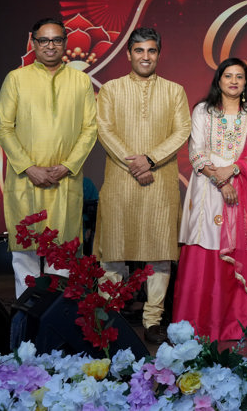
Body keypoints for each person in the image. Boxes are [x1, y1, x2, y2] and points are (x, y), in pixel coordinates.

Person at [95, 27, 190, 344]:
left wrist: (150, 159)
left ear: (159, 54)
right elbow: (104, 130)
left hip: (159, 181)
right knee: (113, 252)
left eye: (151, 50)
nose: (145, 56)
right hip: (120, 181)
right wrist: (134, 163)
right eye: (139, 50)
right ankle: (110, 318)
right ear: (128, 54)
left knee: (160, 253)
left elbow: (182, 131)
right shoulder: (111, 89)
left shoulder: (174, 91)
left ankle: (152, 321)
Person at [0, 17, 97, 298]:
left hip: (65, 180)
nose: (50, 46)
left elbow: (90, 128)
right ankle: (25, 319)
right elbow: (4, 128)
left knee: (63, 257)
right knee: (25, 258)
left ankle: (55, 318)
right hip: (26, 180)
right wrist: (29, 167)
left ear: (65, 42)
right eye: (44, 40)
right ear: (33, 42)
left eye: (56, 40)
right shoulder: (16, 78)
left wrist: (67, 166)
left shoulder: (80, 80)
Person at [174, 58, 247, 341]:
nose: (233, 81)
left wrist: (233, 170)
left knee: (240, 246)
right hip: (207, 188)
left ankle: (237, 324)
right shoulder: (203, 111)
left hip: (242, 188)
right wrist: (220, 180)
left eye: (239, 77)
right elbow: (196, 152)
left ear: (246, 83)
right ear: (218, 80)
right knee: (206, 244)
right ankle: (201, 325)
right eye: (228, 76)